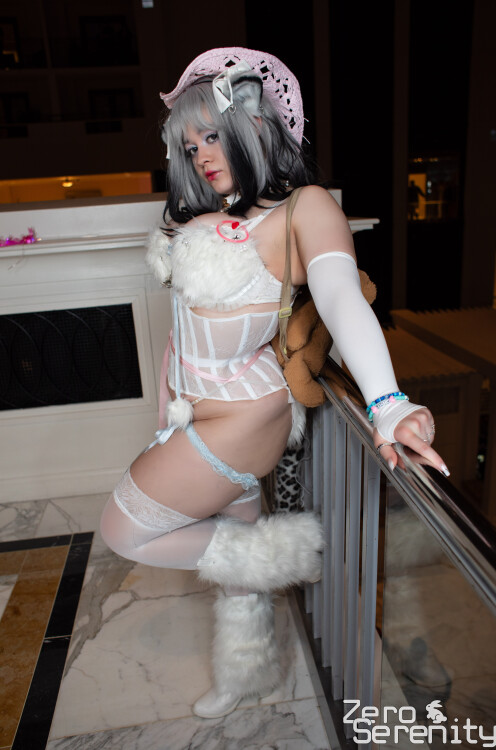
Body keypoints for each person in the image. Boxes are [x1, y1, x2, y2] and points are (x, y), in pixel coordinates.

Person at [100, 47, 448, 719]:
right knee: (233, 573)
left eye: (213, 135)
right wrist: (170, 406)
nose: (202, 155)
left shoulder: (302, 209)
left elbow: (342, 298)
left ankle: (285, 554)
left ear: (257, 125)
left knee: (124, 530)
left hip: (243, 419)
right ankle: (246, 673)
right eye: (190, 144)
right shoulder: (218, 208)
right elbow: (184, 329)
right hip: (197, 413)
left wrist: (388, 403)